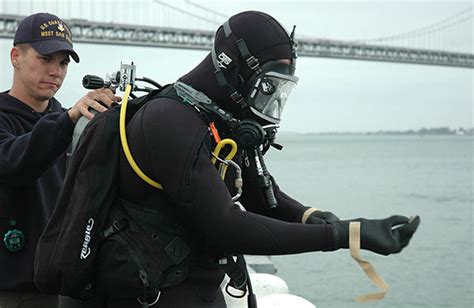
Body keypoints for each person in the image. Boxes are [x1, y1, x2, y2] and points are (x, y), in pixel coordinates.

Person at [99, 10, 420, 308]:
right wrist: (345, 235)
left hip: (194, 287)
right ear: (234, 69)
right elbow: (226, 227)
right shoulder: (168, 120)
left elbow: (261, 196)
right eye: (268, 87)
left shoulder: (219, 120)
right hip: (148, 296)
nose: (271, 103)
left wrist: (313, 216)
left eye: (280, 91)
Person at [0, 12, 119, 308]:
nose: (56, 71)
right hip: (13, 290)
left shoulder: (71, 123)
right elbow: (15, 163)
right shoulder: (62, 122)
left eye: (63, 62)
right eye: (45, 58)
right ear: (16, 56)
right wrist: (69, 121)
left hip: (69, 286)